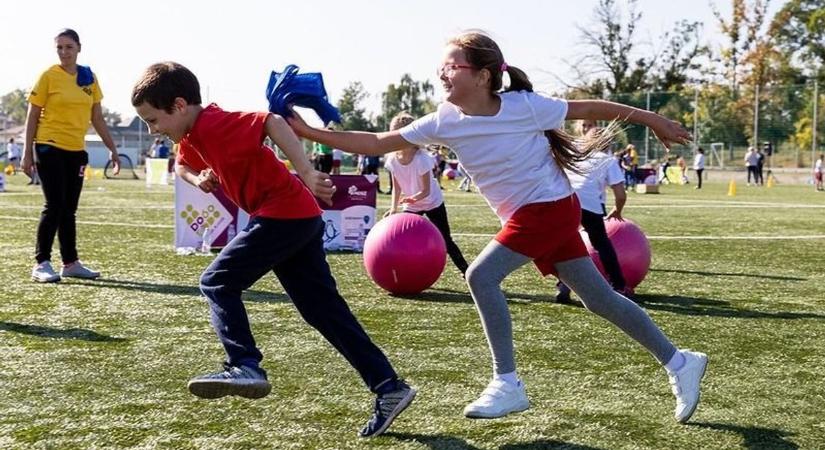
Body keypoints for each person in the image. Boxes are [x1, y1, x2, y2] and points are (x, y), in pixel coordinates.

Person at [287, 30, 707, 424]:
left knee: (480, 276)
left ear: (484, 76)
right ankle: (680, 362)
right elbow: (377, 142)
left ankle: (507, 382)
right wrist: (307, 131)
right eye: (442, 67)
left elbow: (592, 108)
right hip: (535, 214)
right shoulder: (444, 120)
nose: (442, 73)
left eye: (452, 66)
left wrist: (653, 118)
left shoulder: (525, 107)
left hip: (548, 208)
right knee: (599, 298)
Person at [130, 61, 415, 438]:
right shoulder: (191, 137)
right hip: (298, 217)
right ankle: (389, 387)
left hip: (284, 215)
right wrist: (197, 176)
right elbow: (182, 165)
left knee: (216, 282)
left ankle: (244, 364)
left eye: (153, 120)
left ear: (179, 105)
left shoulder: (215, 122)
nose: (154, 130)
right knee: (323, 311)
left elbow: (272, 122)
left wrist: (308, 172)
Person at [22, 28, 120, 283]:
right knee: (53, 205)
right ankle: (41, 263)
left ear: (79, 48)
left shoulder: (89, 78)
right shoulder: (48, 76)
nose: (64, 52)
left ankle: (70, 262)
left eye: (69, 47)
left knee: (69, 209)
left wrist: (112, 148)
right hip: (48, 144)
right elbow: (32, 115)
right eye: (59, 48)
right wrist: (26, 154)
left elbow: (97, 117)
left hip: (76, 150)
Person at [384, 112, 469, 276]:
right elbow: (397, 187)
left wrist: (413, 198)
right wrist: (394, 208)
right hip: (411, 205)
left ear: (411, 136)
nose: (393, 138)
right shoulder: (392, 160)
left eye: (398, 134)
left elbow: (426, 191)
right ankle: (406, 273)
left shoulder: (422, 159)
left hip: (432, 202)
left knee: (446, 240)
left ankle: (467, 272)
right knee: (403, 239)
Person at [556, 119, 628, 304]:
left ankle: (564, 285)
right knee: (601, 243)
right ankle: (619, 285)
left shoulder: (574, 156)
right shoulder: (608, 160)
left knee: (565, 245)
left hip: (564, 202)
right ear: (608, 143)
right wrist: (617, 211)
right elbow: (620, 194)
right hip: (588, 205)